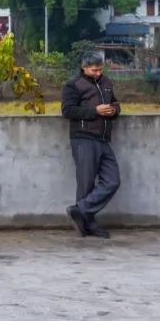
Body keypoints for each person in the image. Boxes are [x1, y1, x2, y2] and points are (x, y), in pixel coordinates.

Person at [61, 51, 121, 238]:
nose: (98, 73)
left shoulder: (107, 83)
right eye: (94, 70)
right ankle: (87, 224)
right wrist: (95, 111)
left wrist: (114, 111)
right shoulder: (73, 85)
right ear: (84, 67)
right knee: (85, 183)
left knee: (112, 181)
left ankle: (80, 211)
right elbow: (68, 110)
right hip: (83, 138)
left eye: (100, 69)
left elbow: (115, 104)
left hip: (103, 138)